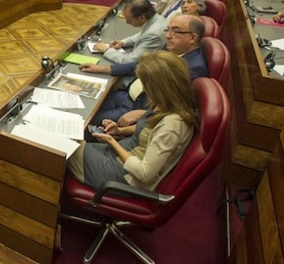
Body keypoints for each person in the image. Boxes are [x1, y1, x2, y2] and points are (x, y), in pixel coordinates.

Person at [67, 51, 198, 191]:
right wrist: (120, 130)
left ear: (159, 87)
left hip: (125, 176)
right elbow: (150, 131)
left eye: (146, 84)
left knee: (64, 144)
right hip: (123, 153)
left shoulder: (173, 125)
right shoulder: (168, 103)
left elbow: (144, 173)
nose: (144, 89)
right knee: (70, 141)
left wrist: (111, 141)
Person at [80, 15, 207, 124]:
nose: (168, 36)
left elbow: (179, 108)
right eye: (168, 30)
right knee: (84, 105)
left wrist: (143, 113)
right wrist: (102, 69)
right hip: (126, 95)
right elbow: (141, 65)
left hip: (136, 109)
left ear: (192, 38)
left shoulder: (194, 69)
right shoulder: (171, 47)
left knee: (85, 120)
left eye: (176, 31)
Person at [93, 0, 167, 64]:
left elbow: (130, 61)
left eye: (129, 19)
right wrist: (123, 42)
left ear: (141, 17)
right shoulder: (157, 19)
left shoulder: (154, 34)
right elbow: (142, 35)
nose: (127, 23)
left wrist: (106, 50)